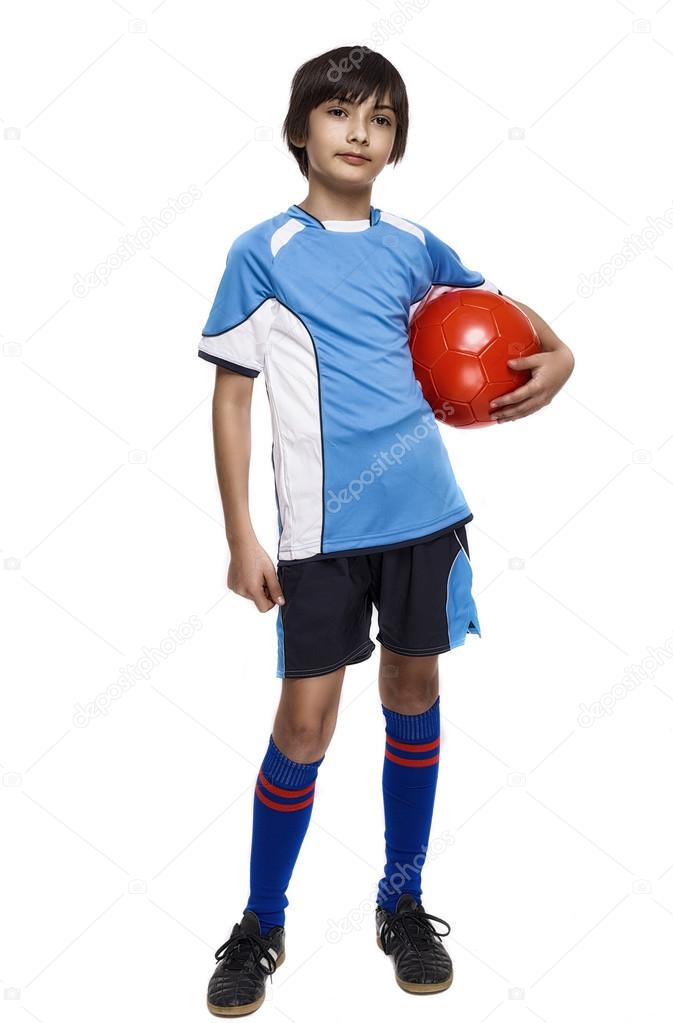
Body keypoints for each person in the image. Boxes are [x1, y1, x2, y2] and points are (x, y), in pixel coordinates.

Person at [200, 45, 575, 1015]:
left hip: (424, 515)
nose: (360, 132)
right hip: (320, 534)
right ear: (300, 131)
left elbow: (492, 308)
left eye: (380, 119)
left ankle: (401, 898)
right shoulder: (261, 253)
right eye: (340, 113)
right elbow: (233, 400)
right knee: (304, 721)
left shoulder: (412, 243)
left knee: (413, 689)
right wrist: (241, 533)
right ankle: (260, 920)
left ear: (394, 143)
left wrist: (559, 348)